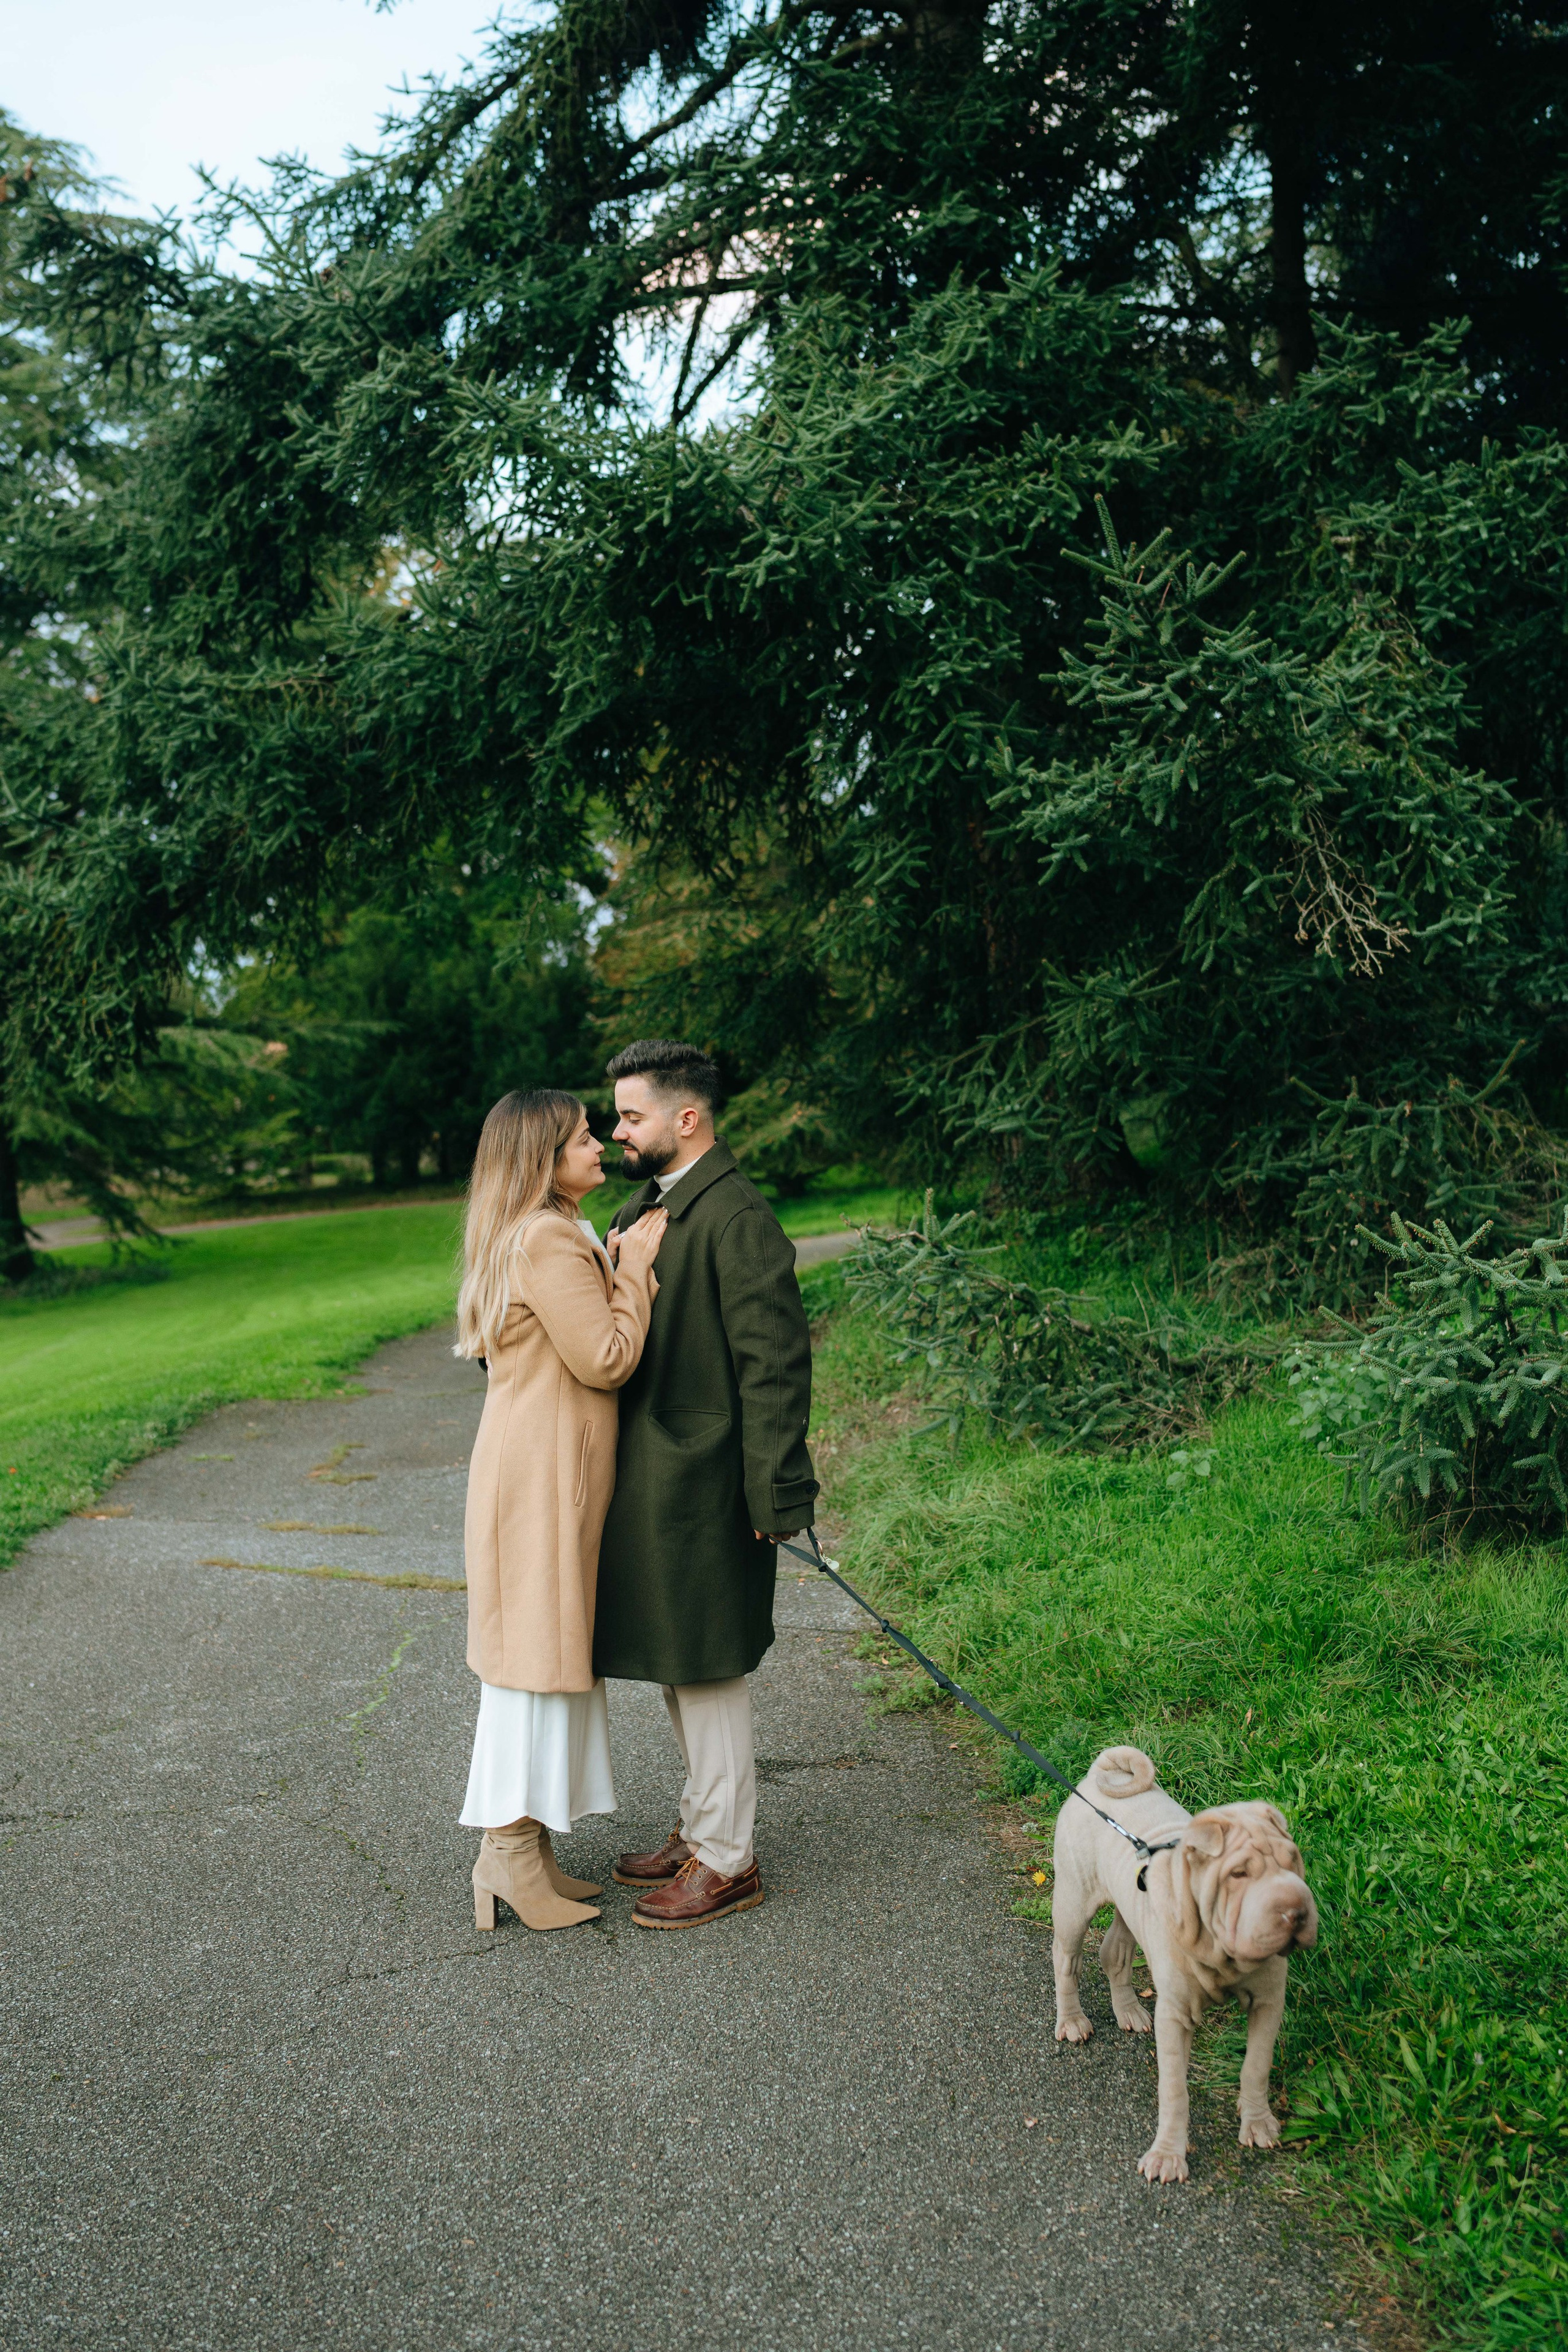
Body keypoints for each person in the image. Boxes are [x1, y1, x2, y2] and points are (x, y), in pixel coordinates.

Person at [594, 1038, 819, 1929]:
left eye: (631, 1115)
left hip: (713, 1481)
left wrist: (775, 1494)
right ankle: (699, 1826)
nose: (616, 1131)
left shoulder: (737, 1216)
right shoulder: (648, 1205)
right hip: (655, 1476)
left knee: (713, 1662)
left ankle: (729, 1861)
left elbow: (775, 1367)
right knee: (684, 1658)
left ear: (688, 1119)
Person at [454, 1088, 667, 1932]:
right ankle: (506, 1855)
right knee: (527, 1671)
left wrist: (610, 1263)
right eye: (584, 1137)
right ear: (544, 1157)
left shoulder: (547, 1231)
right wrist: (638, 1275)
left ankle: (526, 1850)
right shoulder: (544, 1236)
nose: (601, 1147)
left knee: (541, 1664)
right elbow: (607, 1358)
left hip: (539, 1470)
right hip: (537, 1477)